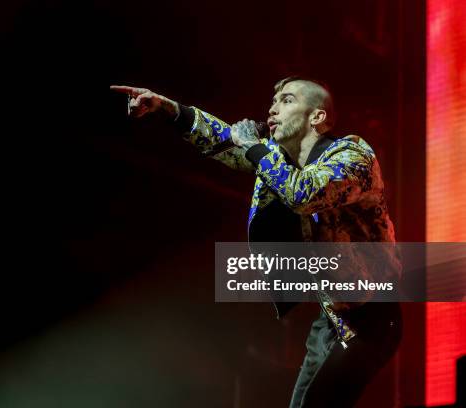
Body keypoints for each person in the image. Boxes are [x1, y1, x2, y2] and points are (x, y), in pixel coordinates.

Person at [110, 77, 402, 407]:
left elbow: (304, 194)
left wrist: (256, 147)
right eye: (273, 100)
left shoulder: (353, 157)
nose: (273, 108)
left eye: (287, 100)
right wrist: (167, 107)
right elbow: (224, 140)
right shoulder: (279, 158)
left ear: (317, 117)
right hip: (331, 317)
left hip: (372, 316)